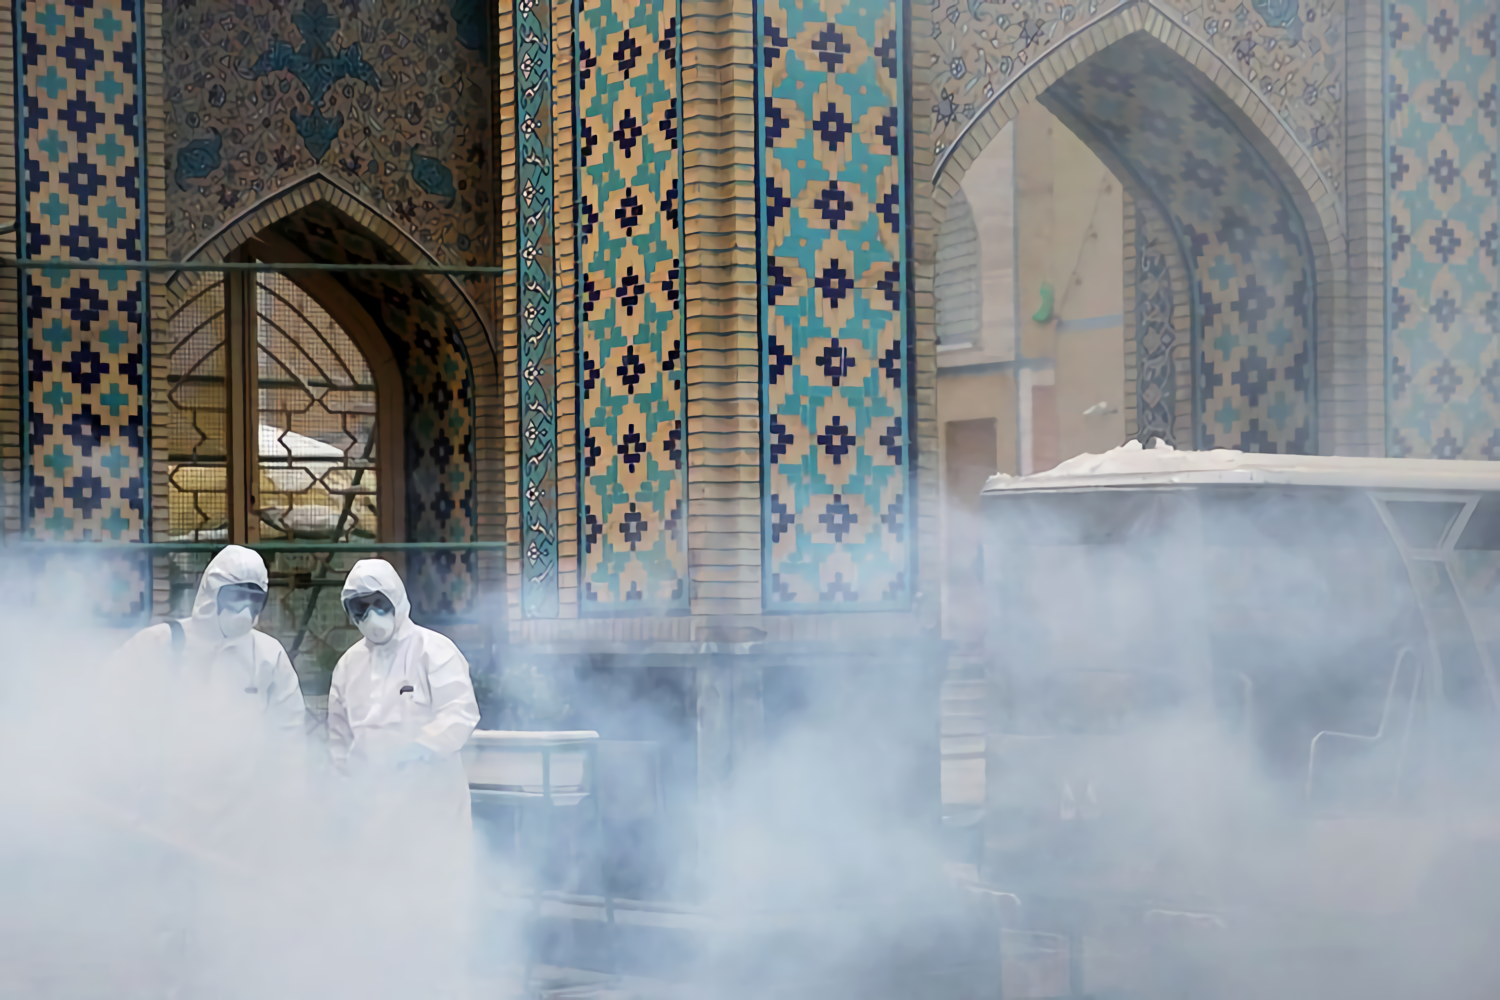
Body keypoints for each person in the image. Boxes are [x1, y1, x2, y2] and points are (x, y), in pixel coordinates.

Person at [326, 559, 481, 998]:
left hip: (431, 805)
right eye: (360, 609)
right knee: (377, 908)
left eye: (379, 604)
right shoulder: (348, 666)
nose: (371, 617)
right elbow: (339, 738)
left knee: (435, 904)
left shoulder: (435, 651)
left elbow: (461, 712)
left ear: (396, 599)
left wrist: (421, 749)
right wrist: (344, 793)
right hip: (373, 808)